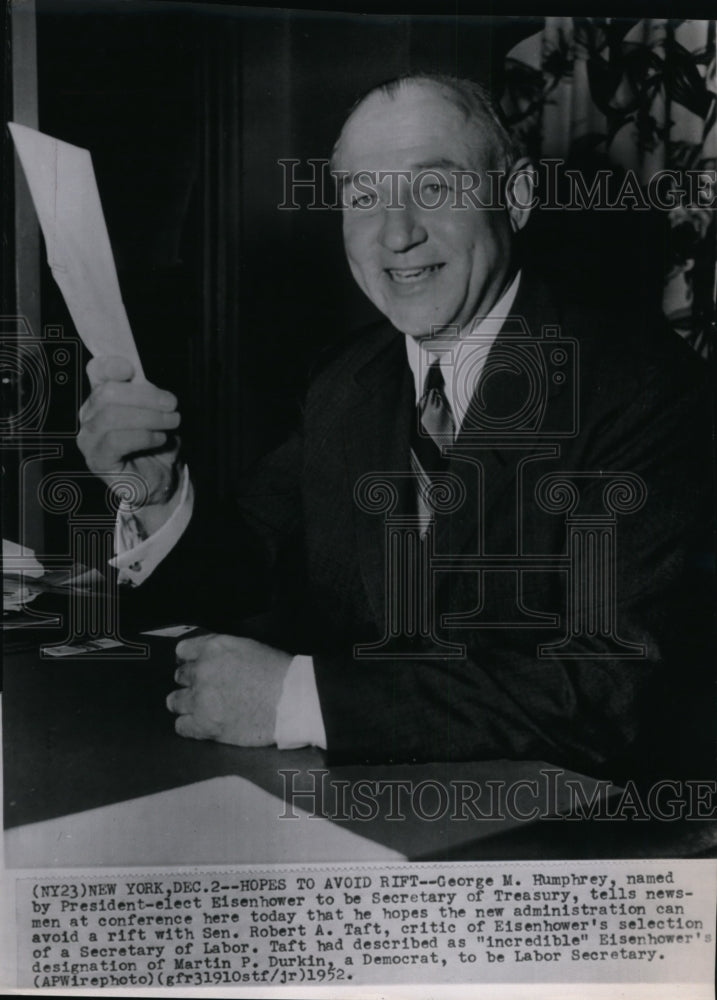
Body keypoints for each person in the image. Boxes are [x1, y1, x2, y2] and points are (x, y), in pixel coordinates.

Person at [77, 74, 713, 780]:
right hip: (360, 811)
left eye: (434, 190)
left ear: (518, 196)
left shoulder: (644, 391)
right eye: (362, 198)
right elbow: (239, 581)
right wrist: (156, 494)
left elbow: (608, 692)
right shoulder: (346, 381)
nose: (397, 233)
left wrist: (297, 699)